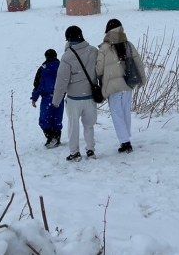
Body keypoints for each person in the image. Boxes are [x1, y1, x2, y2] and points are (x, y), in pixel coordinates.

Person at [96, 18, 146, 153]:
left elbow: (99, 69)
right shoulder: (128, 45)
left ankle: (125, 142)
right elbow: (138, 62)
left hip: (113, 88)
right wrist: (143, 79)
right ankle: (126, 140)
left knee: (117, 115)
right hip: (127, 84)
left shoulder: (104, 48)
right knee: (125, 114)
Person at [52, 25, 98, 161]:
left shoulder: (67, 56)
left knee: (73, 127)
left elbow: (61, 81)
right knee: (89, 125)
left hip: (74, 99)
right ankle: (90, 150)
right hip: (90, 97)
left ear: (68, 39)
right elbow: (99, 72)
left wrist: (56, 101)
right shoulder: (94, 51)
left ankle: (75, 153)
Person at [31, 49, 63, 148]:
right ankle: (56, 138)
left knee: (44, 120)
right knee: (57, 119)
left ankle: (51, 138)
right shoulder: (62, 66)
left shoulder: (43, 68)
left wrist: (34, 98)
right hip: (59, 97)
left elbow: (37, 85)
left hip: (47, 98)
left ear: (46, 57)